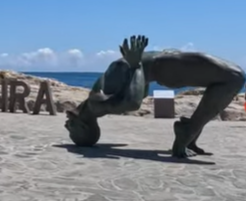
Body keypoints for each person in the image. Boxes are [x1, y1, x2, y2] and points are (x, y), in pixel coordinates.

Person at [65, 35, 245, 158]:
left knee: (232, 78)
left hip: (164, 63)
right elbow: (132, 103)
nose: (67, 125)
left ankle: (189, 132)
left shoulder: (94, 101)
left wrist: (135, 64)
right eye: (71, 129)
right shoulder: (97, 104)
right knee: (234, 77)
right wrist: (136, 65)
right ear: (82, 125)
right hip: (164, 67)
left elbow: (130, 98)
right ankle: (188, 132)